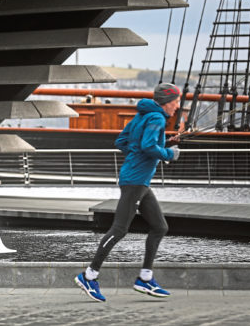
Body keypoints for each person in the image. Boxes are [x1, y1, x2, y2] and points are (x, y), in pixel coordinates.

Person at [75, 83, 181, 302]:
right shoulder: (157, 118)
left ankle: (145, 278)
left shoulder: (144, 115)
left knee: (160, 227)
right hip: (135, 181)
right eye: (176, 102)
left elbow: (123, 141)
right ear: (166, 102)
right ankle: (89, 275)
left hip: (138, 181)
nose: (177, 107)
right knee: (119, 229)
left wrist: (162, 145)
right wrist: (169, 153)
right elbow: (148, 147)